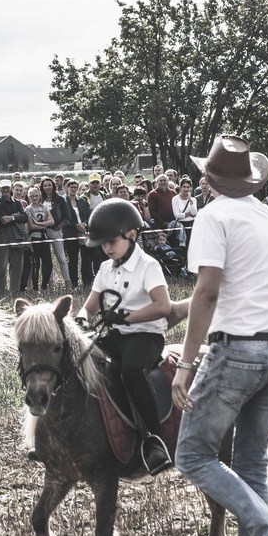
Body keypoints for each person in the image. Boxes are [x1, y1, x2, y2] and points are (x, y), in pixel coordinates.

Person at [172, 136, 268, 536]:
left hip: (234, 350)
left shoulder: (213, 216)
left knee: (193, 455)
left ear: (208, 179)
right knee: (251, 463)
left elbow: (208, 291)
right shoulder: (266, 216)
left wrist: (185, 363)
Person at [78, 198, 173, 476]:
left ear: (131, 235)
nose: (106, 249)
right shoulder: (106, 268)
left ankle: (153, 441)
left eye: (110, 242)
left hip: (146, 337)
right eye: (102, 244)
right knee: (84, 362)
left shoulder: (148, 265)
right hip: (117, 335)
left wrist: (127, 317)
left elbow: (163, 306)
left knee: (131, 370)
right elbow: (91, 303)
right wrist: (82, 320)